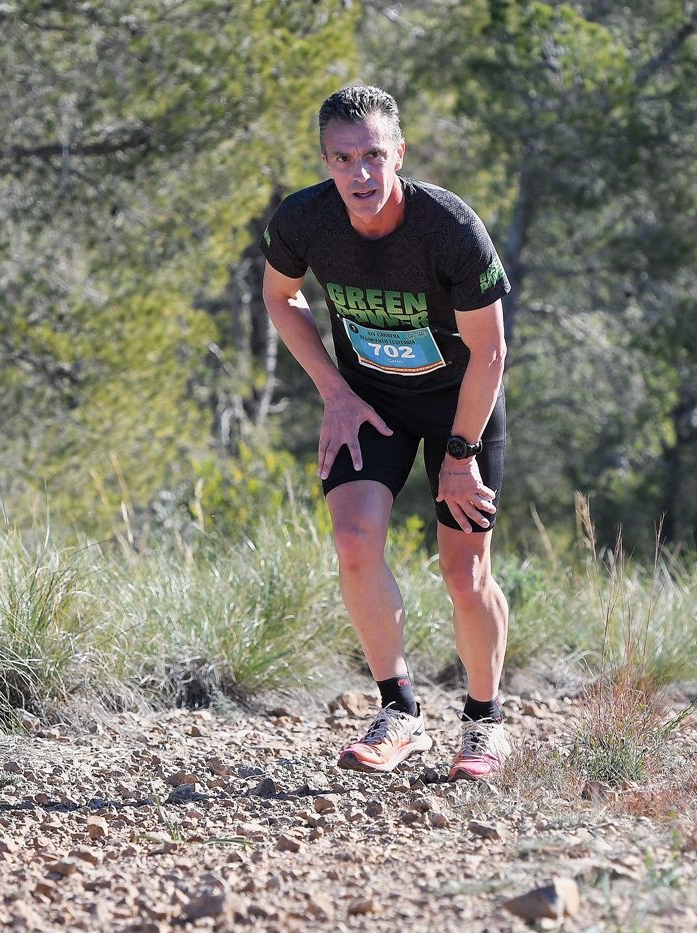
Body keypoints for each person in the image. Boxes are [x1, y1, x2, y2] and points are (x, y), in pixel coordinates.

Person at [259, 86, 513, 780]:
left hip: (461, 405)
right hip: (369, 401)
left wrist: (461, 454)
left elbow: (489, 353)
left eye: (374, 154)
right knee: (354, 540)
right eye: (344, 158)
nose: (361, 173)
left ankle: (485, 722)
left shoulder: (450, 228)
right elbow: (281, 298)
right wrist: (333, 392)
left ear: (399, 152)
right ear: (325, 162)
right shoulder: (305, 218)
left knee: (465, 573)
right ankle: (400, 710)